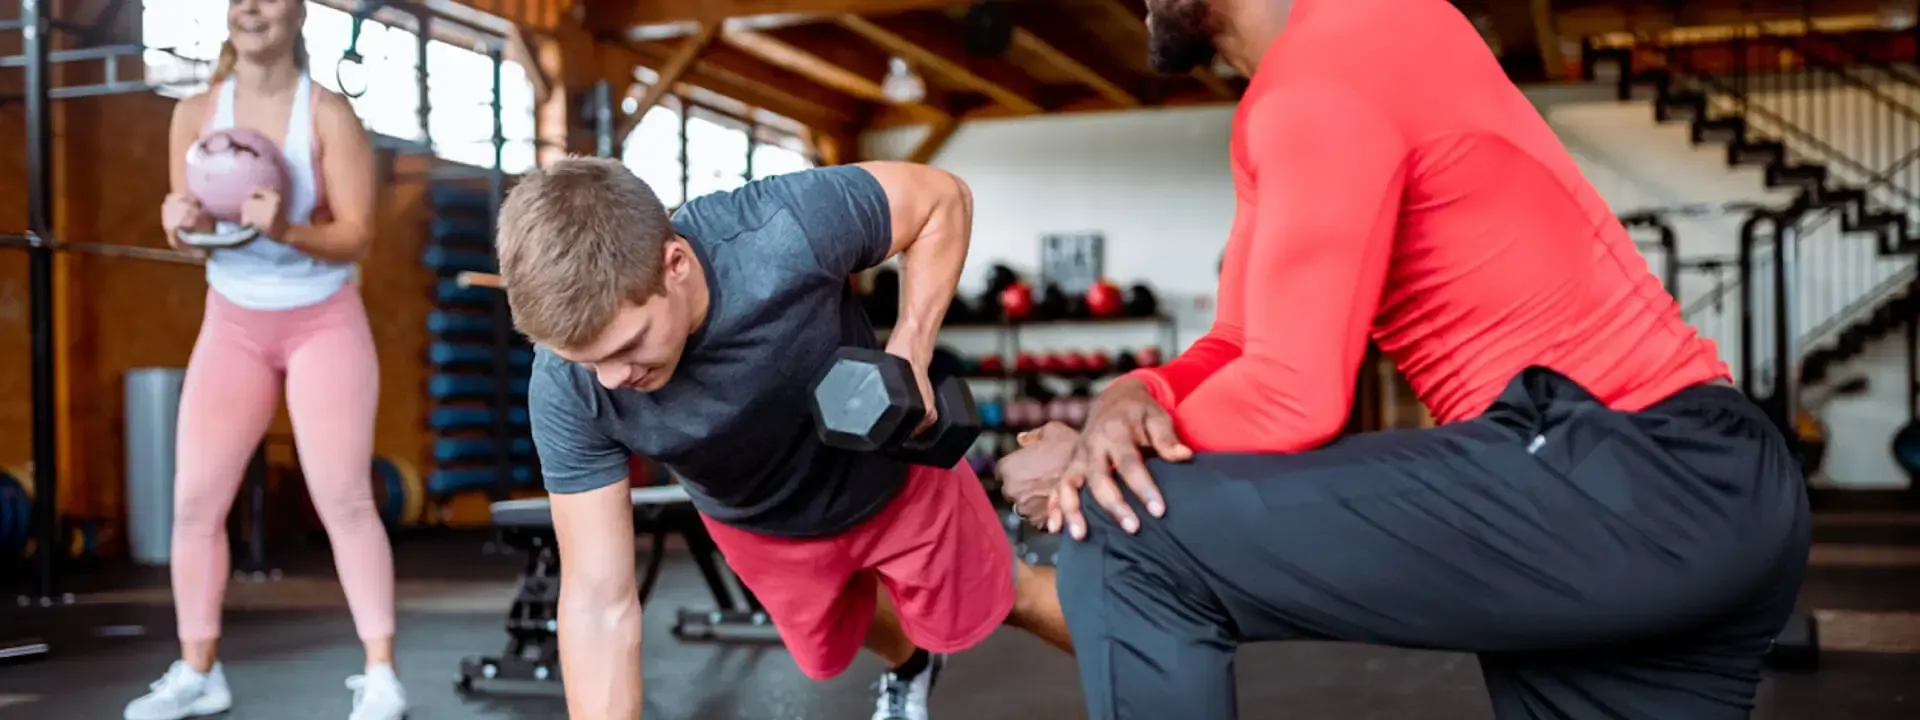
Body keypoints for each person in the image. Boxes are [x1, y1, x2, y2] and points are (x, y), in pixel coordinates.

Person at [999, 0, 1812, 718]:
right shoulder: (1328, 63)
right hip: (1707, 492)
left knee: (1126, 528)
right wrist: (1127, 397)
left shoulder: (1327, 66)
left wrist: (1086, 470)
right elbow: (1238, 345)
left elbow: (1291, 396)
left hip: (1624, 472)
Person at [496, 157, 1073, 720]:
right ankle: (912, 663)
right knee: (846, 627)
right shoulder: (566, 387)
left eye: (628, 345)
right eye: (587, 360)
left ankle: (1156, 676)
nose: (613, 379)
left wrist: (911, 349)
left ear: (675, 264)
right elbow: (599, 602)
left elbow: (942, 199)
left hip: (894, 478)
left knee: (1008, 598)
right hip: (758, 523)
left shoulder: (780, 228)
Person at [127, 0, 406, 718]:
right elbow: (194, 233)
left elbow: (357, 236)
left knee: (344, 497)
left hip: (322, 318)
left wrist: (283, 227)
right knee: (193, 503)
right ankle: (198, 672)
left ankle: (380, 674)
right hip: (234, 321)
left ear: (296, 13)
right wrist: (180, 229)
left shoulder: (327, 116)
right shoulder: (193, 113)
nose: (251, 7)